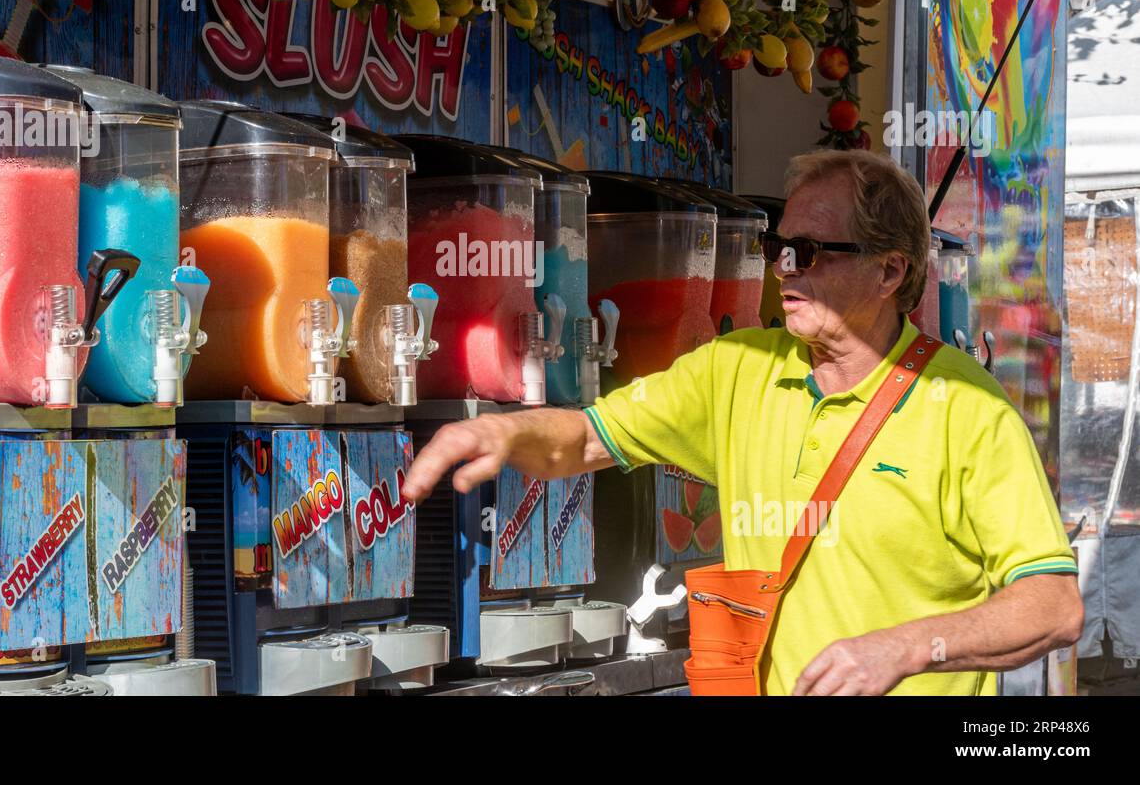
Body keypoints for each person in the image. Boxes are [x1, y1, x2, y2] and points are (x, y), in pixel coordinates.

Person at [402, 148, 1082, 696]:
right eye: (779, 247)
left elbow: (1052, 606)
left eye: (812, 253)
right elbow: (582, 439)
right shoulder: (735, 369)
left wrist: (906, 648)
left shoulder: (969, 408)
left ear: (890, 270)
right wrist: (499, 430)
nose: (785, 269)